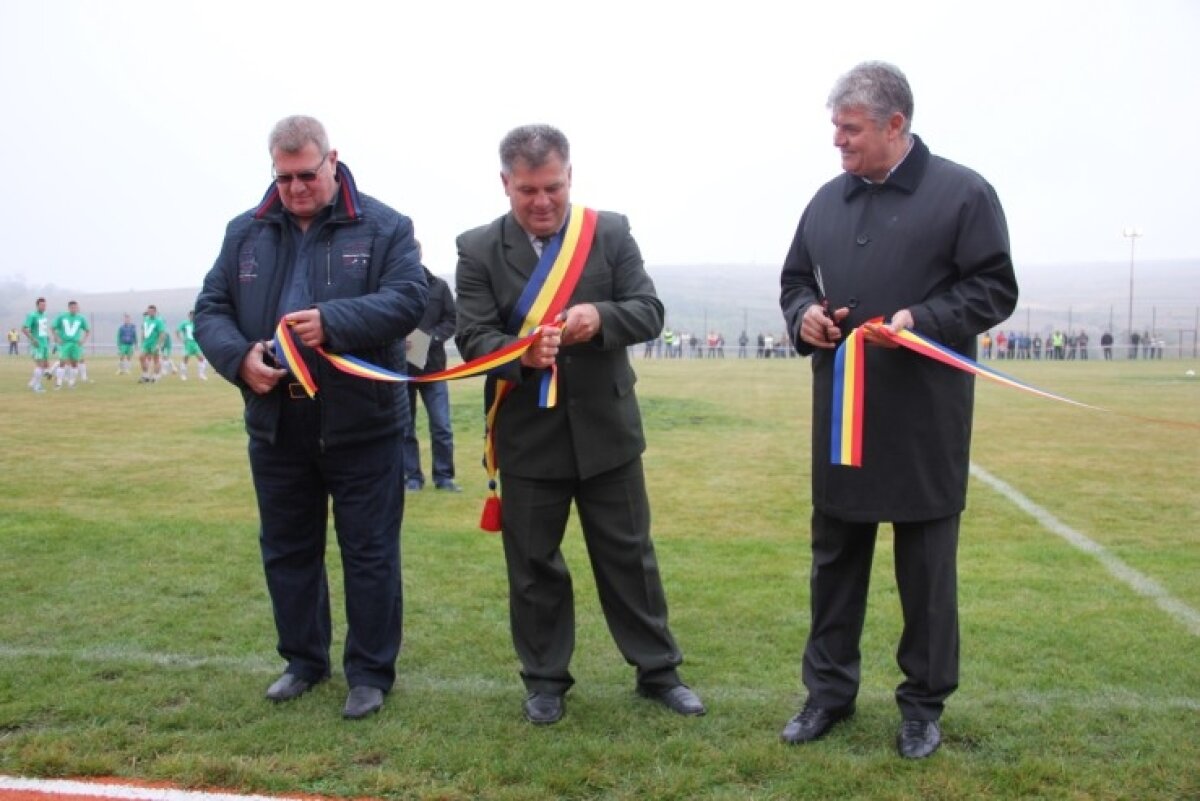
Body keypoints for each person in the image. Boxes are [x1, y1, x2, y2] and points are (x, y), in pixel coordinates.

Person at [779, 62, 1018, 760]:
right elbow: (795, 280)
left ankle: (922, 705)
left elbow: (995, 287)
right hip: (842, 418)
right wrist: (807, 318)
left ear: (894, 125)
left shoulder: (964, 194)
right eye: (835, 129)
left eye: (850, 130)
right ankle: (827, 694)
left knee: (926, 575)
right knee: (835, 564)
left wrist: (925, 317)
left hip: (924, 423)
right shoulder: (825, 200)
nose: (838, 143)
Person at [454, 123, 704, 726]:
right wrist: (521, 355)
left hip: (607, 430)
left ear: (571, 177)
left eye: (554, 189)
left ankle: (658, 672)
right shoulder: (477, 248)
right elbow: (472, 337)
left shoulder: (610, 232)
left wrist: (602, 315)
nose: (542, 203)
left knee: (630, 559)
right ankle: (545, 680)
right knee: (534, 565)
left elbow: (648, 310)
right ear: (505, 184)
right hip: (526, 434)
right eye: (527, 191)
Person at [194, 114, 427, 720]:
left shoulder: (384, 226)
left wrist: (333, 322)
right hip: (276, 422)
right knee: (288, 548)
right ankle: (303, 661)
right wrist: (238, 357)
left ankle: (371, 673)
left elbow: (408, 300)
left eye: (307, 174)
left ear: (332, 160)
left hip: (363, 423)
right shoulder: (243, 232)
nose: (296, 188)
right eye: (284, 176)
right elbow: (210, 308)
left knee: (370, 551)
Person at [402, 251, 460, 493]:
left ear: (419, 254)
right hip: (400, 372)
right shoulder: (391, 287)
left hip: (434, 369)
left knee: (441, 426)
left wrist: (430, 339)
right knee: (405, 428)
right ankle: (412, 478)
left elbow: (452, 319)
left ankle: (444, 477)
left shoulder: (439, 286)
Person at [51, 300, 90, 389]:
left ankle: (71, 383)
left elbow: (87, 330)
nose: (74, 309)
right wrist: (57, 338)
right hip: (65, 343)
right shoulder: (62, 316)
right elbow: (52, 328)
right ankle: (58, 383)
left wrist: (83, 340)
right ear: (69, 308)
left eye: (75, 307)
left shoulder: (81, 318)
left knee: (74, 364)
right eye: (72, 307)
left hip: (75, 344)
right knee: (62, 362)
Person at [22, 297, 51, 393]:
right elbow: (24, 329)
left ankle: (32, 382)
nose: (44, 307)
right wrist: (33, 339)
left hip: (44, 344)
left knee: (46, 365)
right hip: (37, 344)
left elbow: (42, 330)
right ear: (37, 305)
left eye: (45, 305)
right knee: (40, 365)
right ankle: (37, 387)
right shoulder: (32, 315)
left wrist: (47, 337)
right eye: (42, 305)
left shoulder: (44, 316)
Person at [139, 305, 167, 382]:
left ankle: (156, 376)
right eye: (148, 311)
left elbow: (162, 333)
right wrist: (142, 340)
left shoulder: (158, 321)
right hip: (146, 343)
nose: (149, 313)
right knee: (141, 357)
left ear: (155, 312)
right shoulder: (146, 319)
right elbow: (143, 330)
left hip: (154, 343)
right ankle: (145, 375)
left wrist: (159, 344)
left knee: (156, 360)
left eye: (151, 311)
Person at [177, 310, 208, 381]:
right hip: (188, 343)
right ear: (189, 316)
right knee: (186, 358)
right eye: (191, 315)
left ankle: (201, 374)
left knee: (201, 358)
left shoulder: (198, 323)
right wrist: (181, 339)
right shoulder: (184, 323)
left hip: (196, 343)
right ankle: (183, 375)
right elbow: (177, 331)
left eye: (194, 315)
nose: (192, 317)